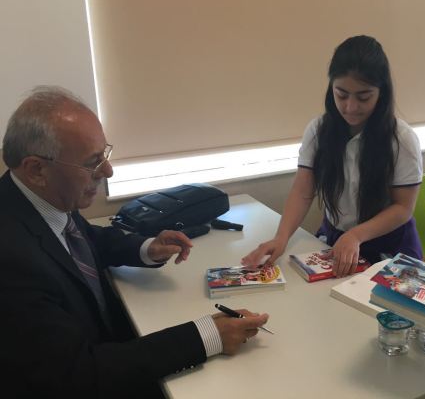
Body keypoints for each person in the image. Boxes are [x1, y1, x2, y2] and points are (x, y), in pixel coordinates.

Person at [0, 86, 269, 399]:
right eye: (92, 162)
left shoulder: (38, 197)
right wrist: (208, 336)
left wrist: (146, 247)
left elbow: (82, 237)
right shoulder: (11, 260)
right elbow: (79, 375)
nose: (108, 170)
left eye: (104, 154)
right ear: (37, 169)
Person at [242, 35, 423, 276]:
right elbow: (303, 191)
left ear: (382, 93)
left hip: (390, 245)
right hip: (338, 239)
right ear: (331, 89)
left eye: (364, 97)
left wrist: (356, 235)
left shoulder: (402, 139)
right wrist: (281, 237)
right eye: (342, 95)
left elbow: (402, 208)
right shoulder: (318, 130)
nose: (350, 107)